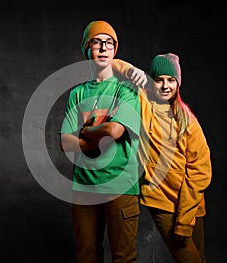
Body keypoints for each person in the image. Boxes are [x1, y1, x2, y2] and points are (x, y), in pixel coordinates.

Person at [60, 20, 145, 263]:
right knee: (87, 256)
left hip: (120, 187)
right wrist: (97, 137)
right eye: (97, 42)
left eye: (109, 43)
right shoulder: (78, 93)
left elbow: (116, 130)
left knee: (124, 258)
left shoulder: (127, 89)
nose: (103, 47)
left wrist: (85, 131)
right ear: (87, 49)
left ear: (115, 50)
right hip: (84, 189)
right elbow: (65, 143)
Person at [114, 53, 212, 263]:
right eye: (159, 80)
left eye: (171, 80)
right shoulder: (142, 101)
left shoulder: (187, 120)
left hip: (192, 204)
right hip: (162, 201)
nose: (165, 86)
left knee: (197, 258)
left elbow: (200, 171)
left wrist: (185, 219)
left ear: (178, 83)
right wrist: (132, 72)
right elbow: (112, 65)